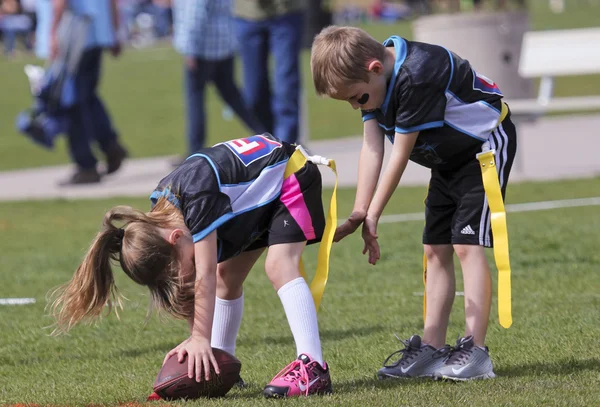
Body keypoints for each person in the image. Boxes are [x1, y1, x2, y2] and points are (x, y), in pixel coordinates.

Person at [49, 133, 333, 398]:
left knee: (278, 265)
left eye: (175, 270)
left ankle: (313, 367)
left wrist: (199, 337)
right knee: (227, 276)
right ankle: (220, 362)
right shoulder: (166, 210)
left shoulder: (195, 199)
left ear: (175, 239)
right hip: (264, 195)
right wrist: (201, 346)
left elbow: (204, 275)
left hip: (291, 176)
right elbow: (202, 279)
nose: (182, 276)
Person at [310, 26, 517, 381]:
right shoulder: (373, 85)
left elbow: (399, 156)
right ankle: (432, 349)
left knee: (466, 246)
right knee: (434, 249)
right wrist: (360, 210)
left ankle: (476, 351)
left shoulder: (417, 74)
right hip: (448, 159)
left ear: (375, 68)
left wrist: (374, 214)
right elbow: (372, 147)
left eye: (357, 99)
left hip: (484, 148)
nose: (356, 106)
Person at [172, 0, 266, 160]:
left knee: (195, 100)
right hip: (224, 46)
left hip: (203, 49)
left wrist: (190, 49)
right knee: (234, 99)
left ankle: (195, 150)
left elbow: (195, 14)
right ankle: (263, 133)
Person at [50, 0, 128, 185]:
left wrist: (52, 32)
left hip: (76, 33)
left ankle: (86, 165)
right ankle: (109, 144)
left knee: (71, 101)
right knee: (88, 96)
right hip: (98, 31)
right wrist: (114, 31)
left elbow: (60, 3)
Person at [232, 0, 305, 144]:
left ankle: (286, 150)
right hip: (247, 16)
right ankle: (268, 146)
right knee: (252, 95)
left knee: (285, 89)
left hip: (285, 13)